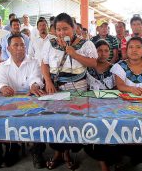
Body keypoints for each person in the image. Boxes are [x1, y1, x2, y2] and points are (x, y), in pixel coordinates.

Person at [41, 13, 97, 170]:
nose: (61, 33)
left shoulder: (86, 44)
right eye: (58, 29)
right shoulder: (49, 44)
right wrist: (48, 81)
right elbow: (44, 64)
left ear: (74, 28)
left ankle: (68, 152)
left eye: (65, 28)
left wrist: (74, 54)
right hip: (56, 88)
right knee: (56, 121)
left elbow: (93, 63)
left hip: (79, 88)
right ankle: (59, 153)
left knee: (73, 121)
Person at [111, 36, 142, 171]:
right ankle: (131, 157)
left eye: (138, 47)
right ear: (126, 50)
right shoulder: (119, 66)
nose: (134, 50)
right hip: (125, 105)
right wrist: (132, 89)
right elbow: (120, 85)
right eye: (131, 47)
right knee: (126, 127)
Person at [0, 34, 45, 168]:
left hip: (31, 98)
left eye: (22, 45)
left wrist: (35, 85)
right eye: (16, 45)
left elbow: (37, 78)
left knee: (37, 118)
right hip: (10, 100)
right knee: (5, 119)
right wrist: (3, 87)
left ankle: (37, 149)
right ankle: (13, 147)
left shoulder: (33, 62)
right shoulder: (3, 66)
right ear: (8, 48)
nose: (20, 48)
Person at [85, 39, 115, 171]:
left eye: (106, 51)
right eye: (99, 50)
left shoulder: (115, 68)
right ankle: (102, 162)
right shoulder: (87, 68)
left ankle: (110, 158)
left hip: (111, 107)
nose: (103, 53)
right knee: (94, 129)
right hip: (91, 107)